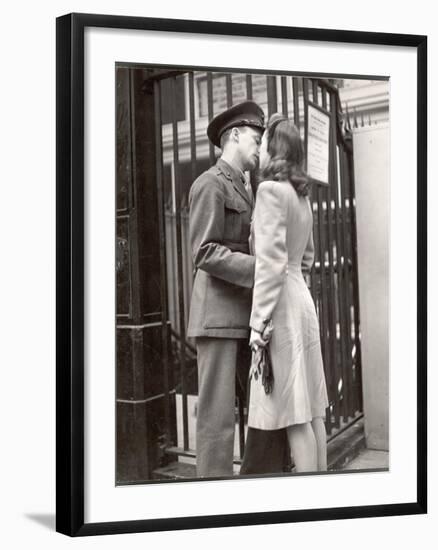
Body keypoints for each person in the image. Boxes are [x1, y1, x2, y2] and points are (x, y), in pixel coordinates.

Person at [245, 113, 329, 473]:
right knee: (311, 410)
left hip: (280, 303)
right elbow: (305, 258)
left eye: (264, 144)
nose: (260, 150)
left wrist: (258, 323)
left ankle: (309, 501)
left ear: (273, 149)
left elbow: (269, 264)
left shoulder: (269, 191)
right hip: (300, 298)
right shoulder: (300, 196)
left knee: (294, 412)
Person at [187, 100, 265, 477]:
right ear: (234, 136)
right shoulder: (209, 184)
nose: (259, 148)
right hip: (216, 316)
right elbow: (203, 251)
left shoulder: (247, 188)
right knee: (217, 423)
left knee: (257, 413)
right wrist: (259, 269)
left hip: (240, 314)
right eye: (255, 138)